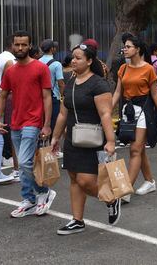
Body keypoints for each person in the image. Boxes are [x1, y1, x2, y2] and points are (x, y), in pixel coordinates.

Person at [51, 43, 121, 234]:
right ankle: (77, 220)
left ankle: (111, 199)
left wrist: (111, 141)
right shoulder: (70, 82)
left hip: (92, 139)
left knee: (86, 181)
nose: (74, 60)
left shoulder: (99, 84)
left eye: (79, 57)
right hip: (73, 138)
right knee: (74, 178)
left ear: (89, 61)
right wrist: (55, 137)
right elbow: (63, 115)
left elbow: (106, 114)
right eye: (73, 57)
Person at [0, 31, 56, 217]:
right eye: (17, 44)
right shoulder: (10, 71)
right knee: (23, 163)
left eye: (23, 44)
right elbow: (3, 95)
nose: (20, 48)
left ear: (30, 46)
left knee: (24, 162)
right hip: (16, 122)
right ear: (12, 46)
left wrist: (46, 124)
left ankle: (43, 192)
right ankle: (29, 199)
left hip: (33, 121)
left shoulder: (40, 68)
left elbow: (47, 97)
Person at [112, 34, 157, 200]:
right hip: (128, 110)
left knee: (135, 149)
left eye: (128, 47)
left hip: (144, 110)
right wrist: (107, 111)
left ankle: (125, 190)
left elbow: (155, 94)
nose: (125, 49)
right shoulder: (123, 68)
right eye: (125, 47)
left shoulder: (148, 69)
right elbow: (118, 92)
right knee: (139, 148)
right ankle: (149, 181)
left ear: (138, 49)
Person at [0, 35, 18, 175]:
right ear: (12, 45)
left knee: (6, 125)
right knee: (11, 126)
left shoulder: (1, 56)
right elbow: (11, 79)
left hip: (1, 93)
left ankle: (7, 154)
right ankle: (8, 155)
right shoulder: (10, 60)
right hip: (8, 94)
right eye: (17, 45)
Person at [39, 39, 66, 138]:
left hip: (39, 97)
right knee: (54, 123)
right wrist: (62, 95)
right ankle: (52, 148)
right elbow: (60, 83)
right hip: (53, 97)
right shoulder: (57, 64)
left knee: (41, 123)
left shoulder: (37, 62)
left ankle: (41, 148)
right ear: (52, 49)